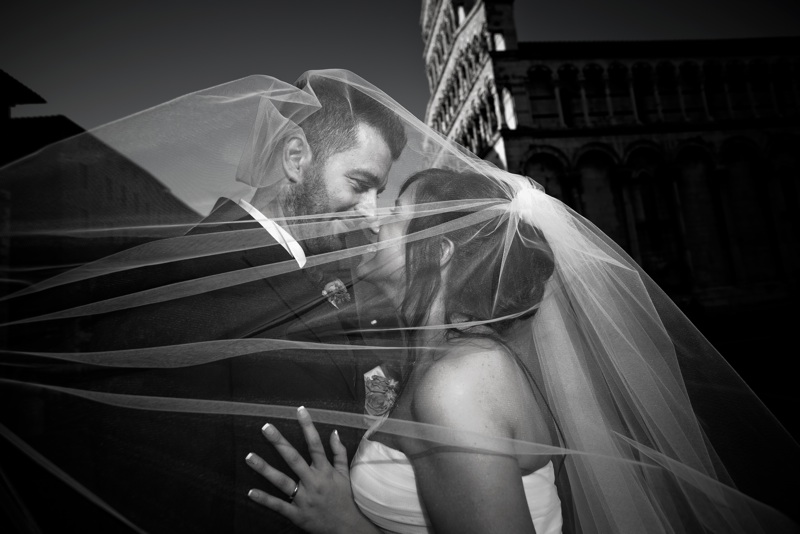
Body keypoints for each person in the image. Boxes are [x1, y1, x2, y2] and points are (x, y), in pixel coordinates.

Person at [2, 71, 798, 534]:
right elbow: (143, 479)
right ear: (292, 157)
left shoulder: (453, 367)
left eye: (388, 203)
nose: (371, 217)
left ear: (440, 254)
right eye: (361, 185)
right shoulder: (192, 278)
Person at [243, 168, 800, 533]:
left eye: (392, 217)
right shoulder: (458, 363)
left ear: (437, 252)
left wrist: (349, 525)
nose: (373, 222)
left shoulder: (461, 382)